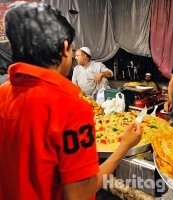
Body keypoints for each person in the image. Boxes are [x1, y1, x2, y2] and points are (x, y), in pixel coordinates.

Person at [0, 2, 142, 200]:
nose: (74, 57)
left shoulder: (2, 93)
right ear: (65, 47)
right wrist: (124, 146)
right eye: (73, 51)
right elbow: (79, 194)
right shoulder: (71, 107)